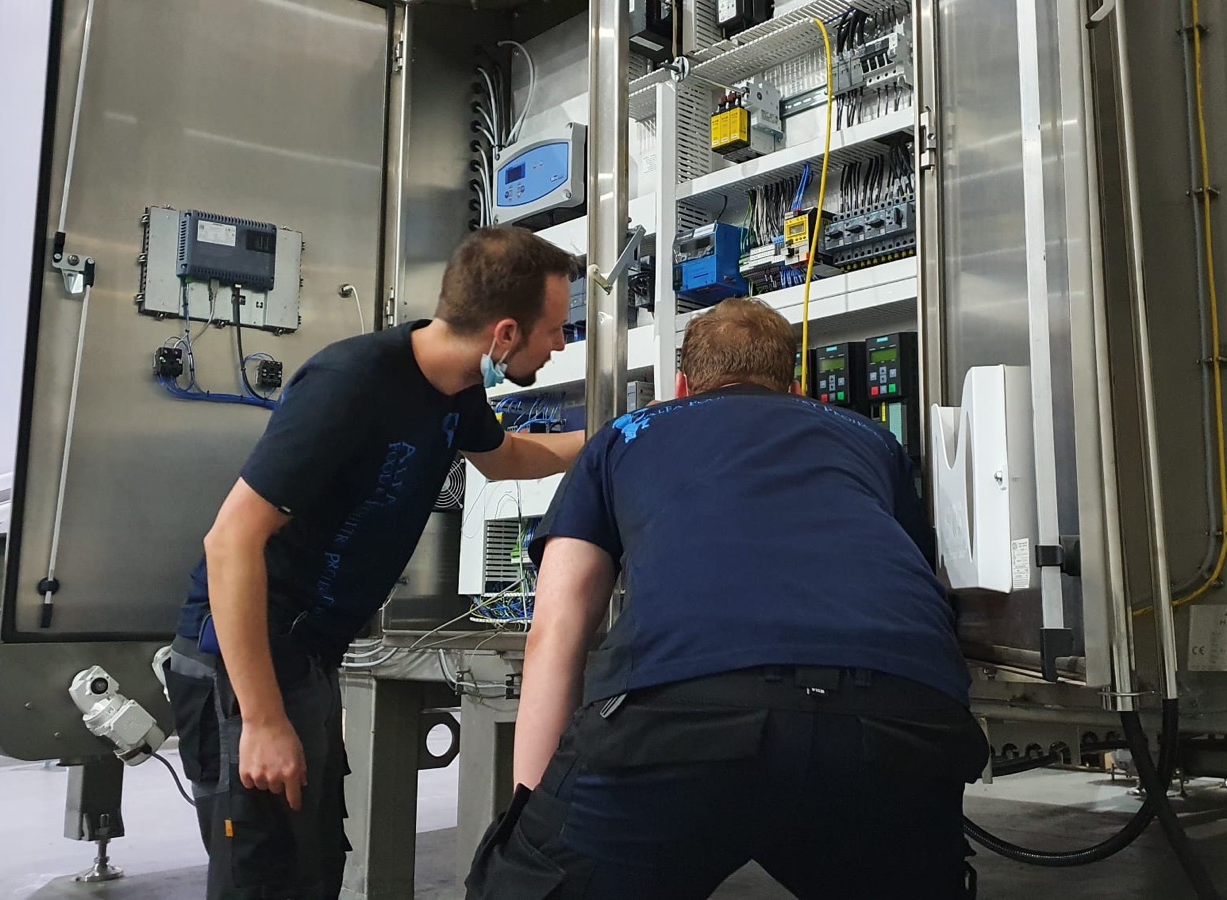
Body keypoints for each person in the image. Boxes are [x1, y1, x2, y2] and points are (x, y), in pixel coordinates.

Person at [466, 298, 989, 900]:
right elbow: (922, 574)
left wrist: (532, 828)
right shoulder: (868, 438)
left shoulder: (626, 436)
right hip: (904, 715)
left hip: (681, 713)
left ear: (684, 385)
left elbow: (555, 631)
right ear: (793, 383)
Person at [162, 226, 584, 900]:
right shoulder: (351, 381)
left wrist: (607, 439)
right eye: (556, 329)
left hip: (307, 657)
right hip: (243, 661)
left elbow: (504, 459)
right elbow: (230, 541)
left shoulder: (455, 388)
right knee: (263, 877)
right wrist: (264, 721)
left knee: (316, 864)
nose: (562, 343)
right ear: (505, 334)